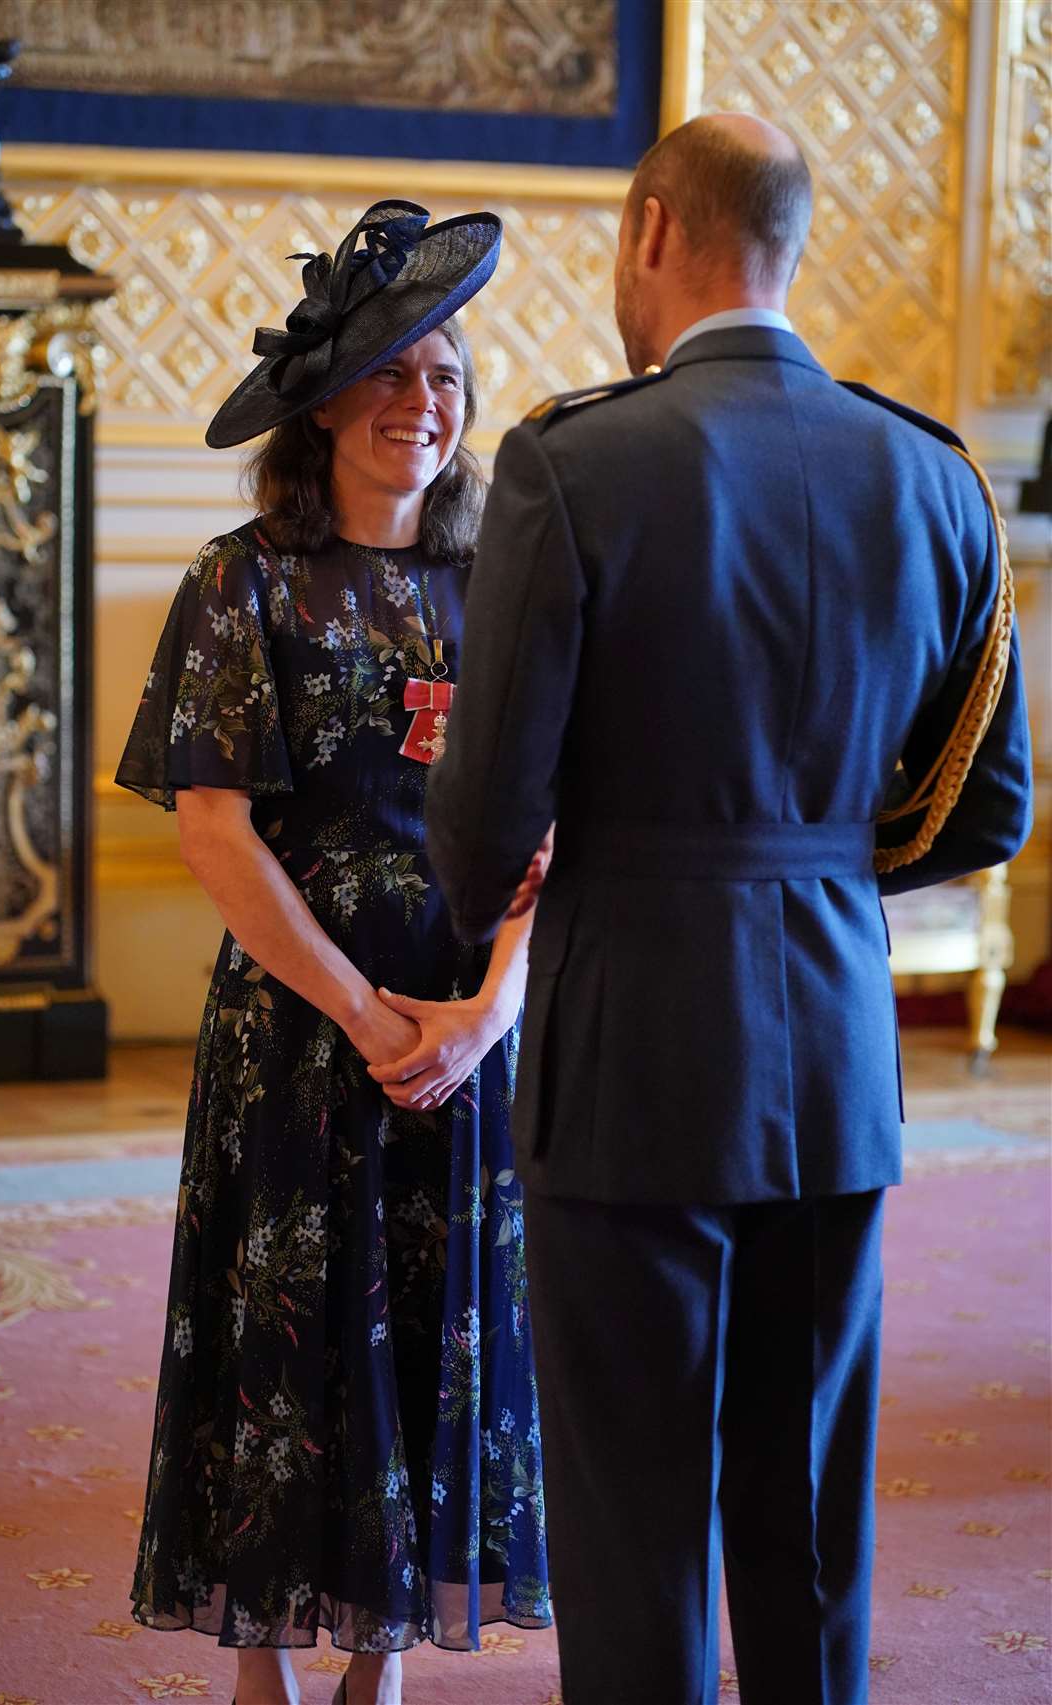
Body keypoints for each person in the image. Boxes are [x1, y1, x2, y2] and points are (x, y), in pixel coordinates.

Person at [424, 116, 1032, 1705]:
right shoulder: (931, 472)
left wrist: (545, 873)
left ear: (649, 230)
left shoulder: (569, 463)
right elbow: (992, 801)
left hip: (629, 1052)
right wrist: (814, 871)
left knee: (634, 1519)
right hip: (835, 1052)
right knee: (810, 1513)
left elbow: (486, 835)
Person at [115, 201, 551, 1705]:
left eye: (444, 378)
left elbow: (562, 827)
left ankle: (385, 1666)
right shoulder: (241, 583)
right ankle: (263, 1672)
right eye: (389, 376)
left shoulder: (502, 587)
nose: (420, 405)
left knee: (430, 1340)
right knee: (284, 1346)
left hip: (457, 1033)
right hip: (305, 1031)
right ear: (320, 410)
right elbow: (216, 837)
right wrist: (369, 1012)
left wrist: (485, 1016)